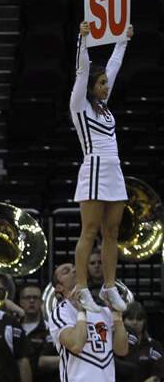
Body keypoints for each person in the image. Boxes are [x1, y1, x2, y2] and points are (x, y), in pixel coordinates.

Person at [69, 21, 134, 313]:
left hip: (114, 169)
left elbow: (115, 64)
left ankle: (109, 287)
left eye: (107, 83)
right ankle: (82, 288)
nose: (107, 86)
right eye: (102, 83)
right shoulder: (79, 104)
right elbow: (83, 70)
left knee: (112, 230)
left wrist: (123, 40)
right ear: (91, 87)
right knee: (90, 230)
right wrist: (82, 39)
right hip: (94, 168)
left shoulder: (105, 108)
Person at [117, 302, 164, 382]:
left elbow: (158, 374)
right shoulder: (117, 345)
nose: (135, 322)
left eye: (139, 319)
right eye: (130, 318)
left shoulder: (154, 346)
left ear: (144, 322)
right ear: (123, 321)